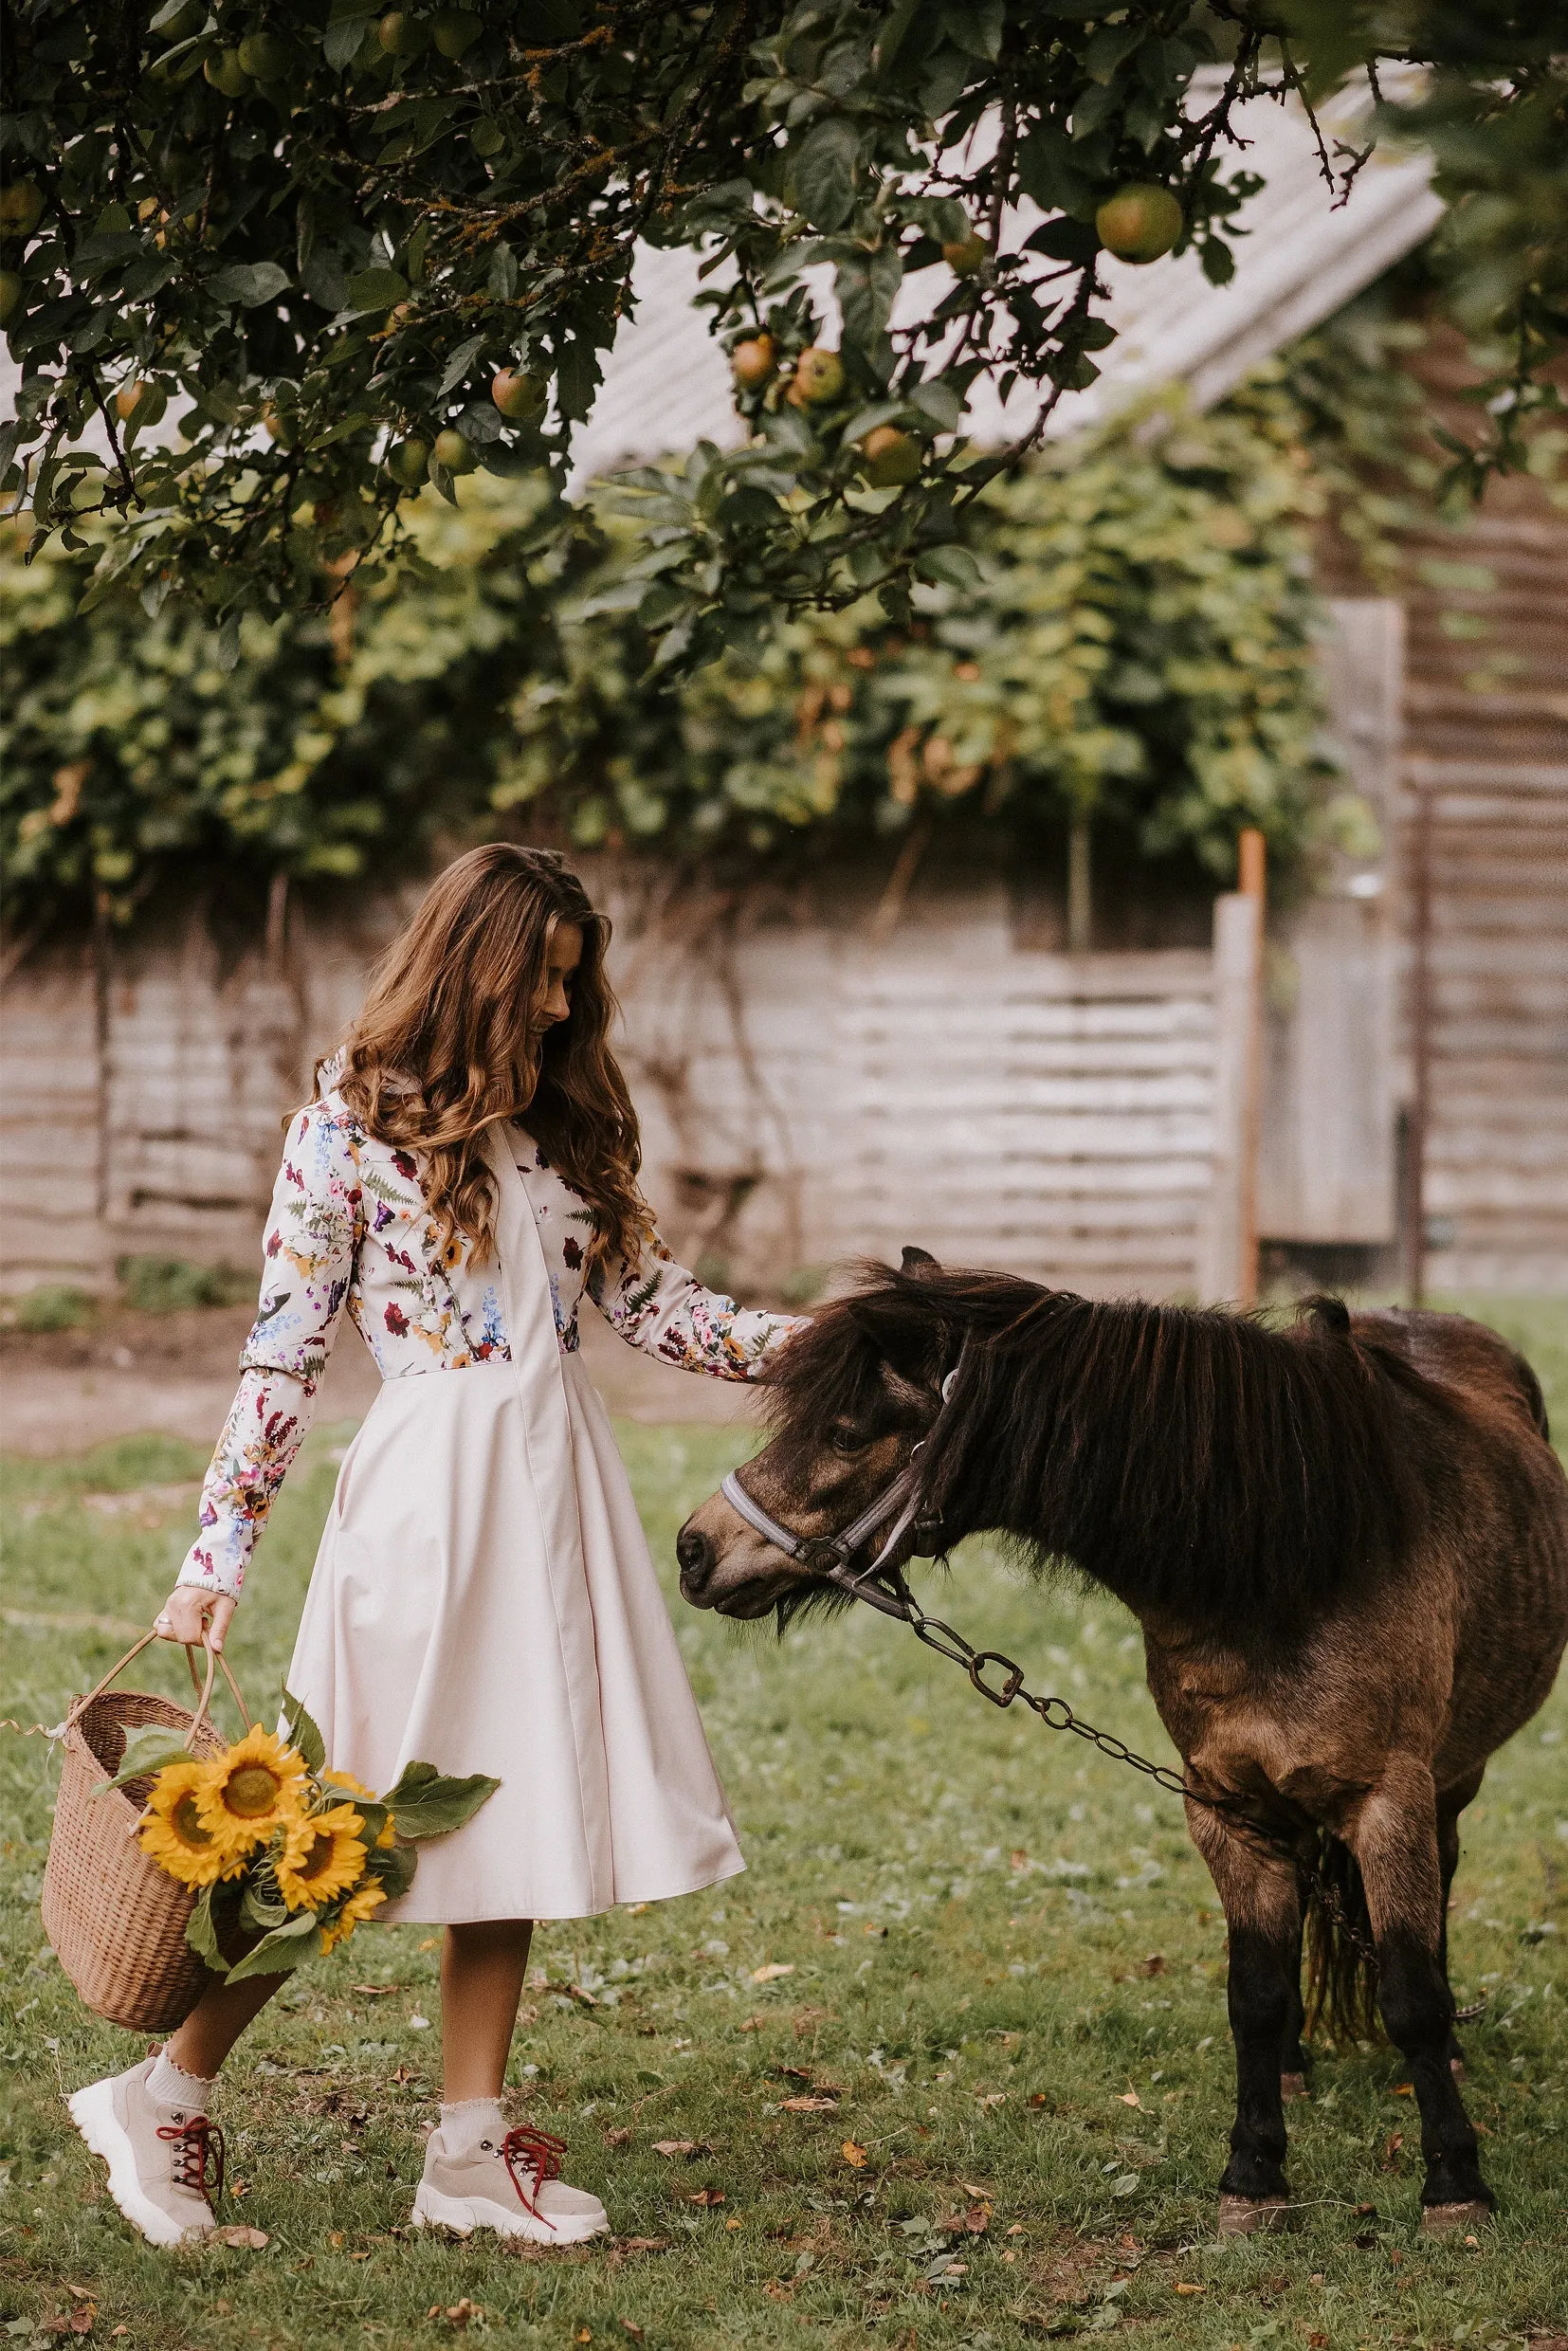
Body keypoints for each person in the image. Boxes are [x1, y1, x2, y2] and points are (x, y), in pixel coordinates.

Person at [66, 845, 804, 2251]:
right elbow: (280, 1364)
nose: (552, 1013)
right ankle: (160, 2095)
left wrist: (820, 1342)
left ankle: (466, 2153)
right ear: (473, 966)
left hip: (556, 1493)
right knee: (344, 1826)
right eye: (537, 982)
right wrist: (212, 1560)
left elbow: (659, 1311)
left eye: (570, 991)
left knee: (508, 1811)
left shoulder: (569, 1130)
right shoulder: (339, 1135)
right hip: (429, 1502)